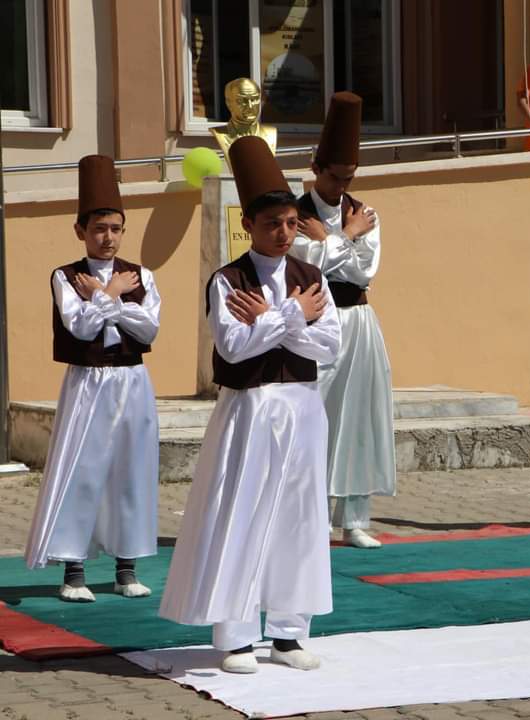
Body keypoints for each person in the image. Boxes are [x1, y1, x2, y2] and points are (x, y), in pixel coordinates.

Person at [159, 136, 341, 673]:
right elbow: (234, 347)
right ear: (250, 228)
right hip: (251, 407)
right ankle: (236, 634)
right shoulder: (228, 280)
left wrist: (273, 320)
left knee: (299, 516)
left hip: (303, 404)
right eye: (271, 225)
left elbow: (329, 346)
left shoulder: (314, 278)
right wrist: (290, 318)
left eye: (290, 223)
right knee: (241, 509)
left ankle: (289, 631)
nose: (284, 234)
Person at [24, 155, 161, 603]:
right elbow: (79, 327)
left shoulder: (141, 276)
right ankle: (74, 568)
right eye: (99, 228)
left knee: (131, 470)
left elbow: (148, 329)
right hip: (88, 381)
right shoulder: (64, 277)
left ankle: (126, 567)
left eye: (116, 229)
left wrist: (106, 298)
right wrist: (111, 300)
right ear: (81, 231)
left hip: (131, 381)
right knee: (82, 470)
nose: (108, 238)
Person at [291, 91, 395, 550]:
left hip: (359, 320)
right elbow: (306, 264)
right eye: (335, 177)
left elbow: (364, 271)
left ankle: (354, 517)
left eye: (349, 177)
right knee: (316, 414)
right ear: (316, 169)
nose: (341, 186)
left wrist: (334, 238)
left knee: (359, 417)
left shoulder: (365, 214)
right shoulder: (292, 215)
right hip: (316, 324)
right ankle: (308, 514)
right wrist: (346, 239)